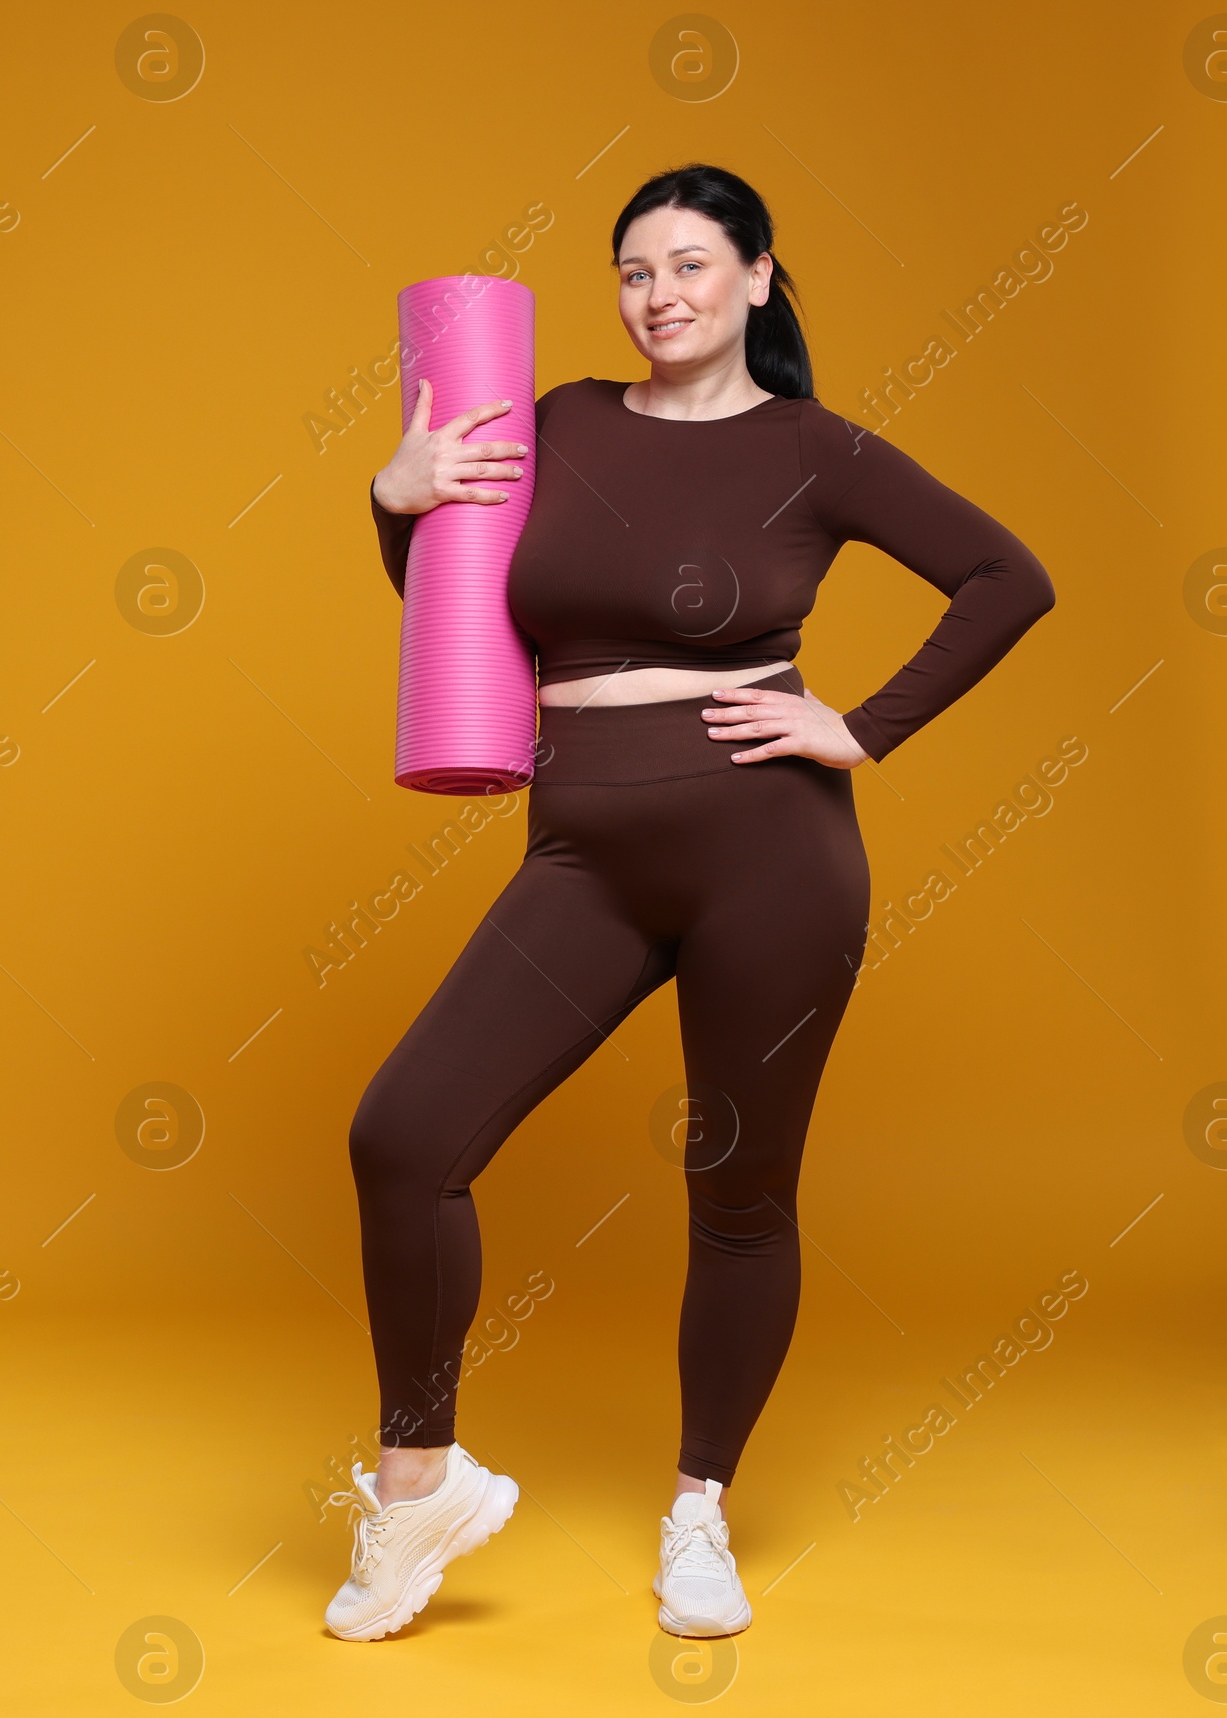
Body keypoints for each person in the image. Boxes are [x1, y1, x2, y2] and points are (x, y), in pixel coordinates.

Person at [322, 162, 1055, 1644]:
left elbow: (1005, 576)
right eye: (636, 271)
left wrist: (861, 725)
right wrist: (392, 505)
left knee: (736, 1196)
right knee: (403, 1136)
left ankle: (700, 1507)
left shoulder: (812, 446)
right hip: (584, 851)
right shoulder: (561, 422)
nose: (661, 295)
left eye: (692, 266)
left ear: (759, 280)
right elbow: (459, 602)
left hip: (770, 854)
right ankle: (420, 1486)